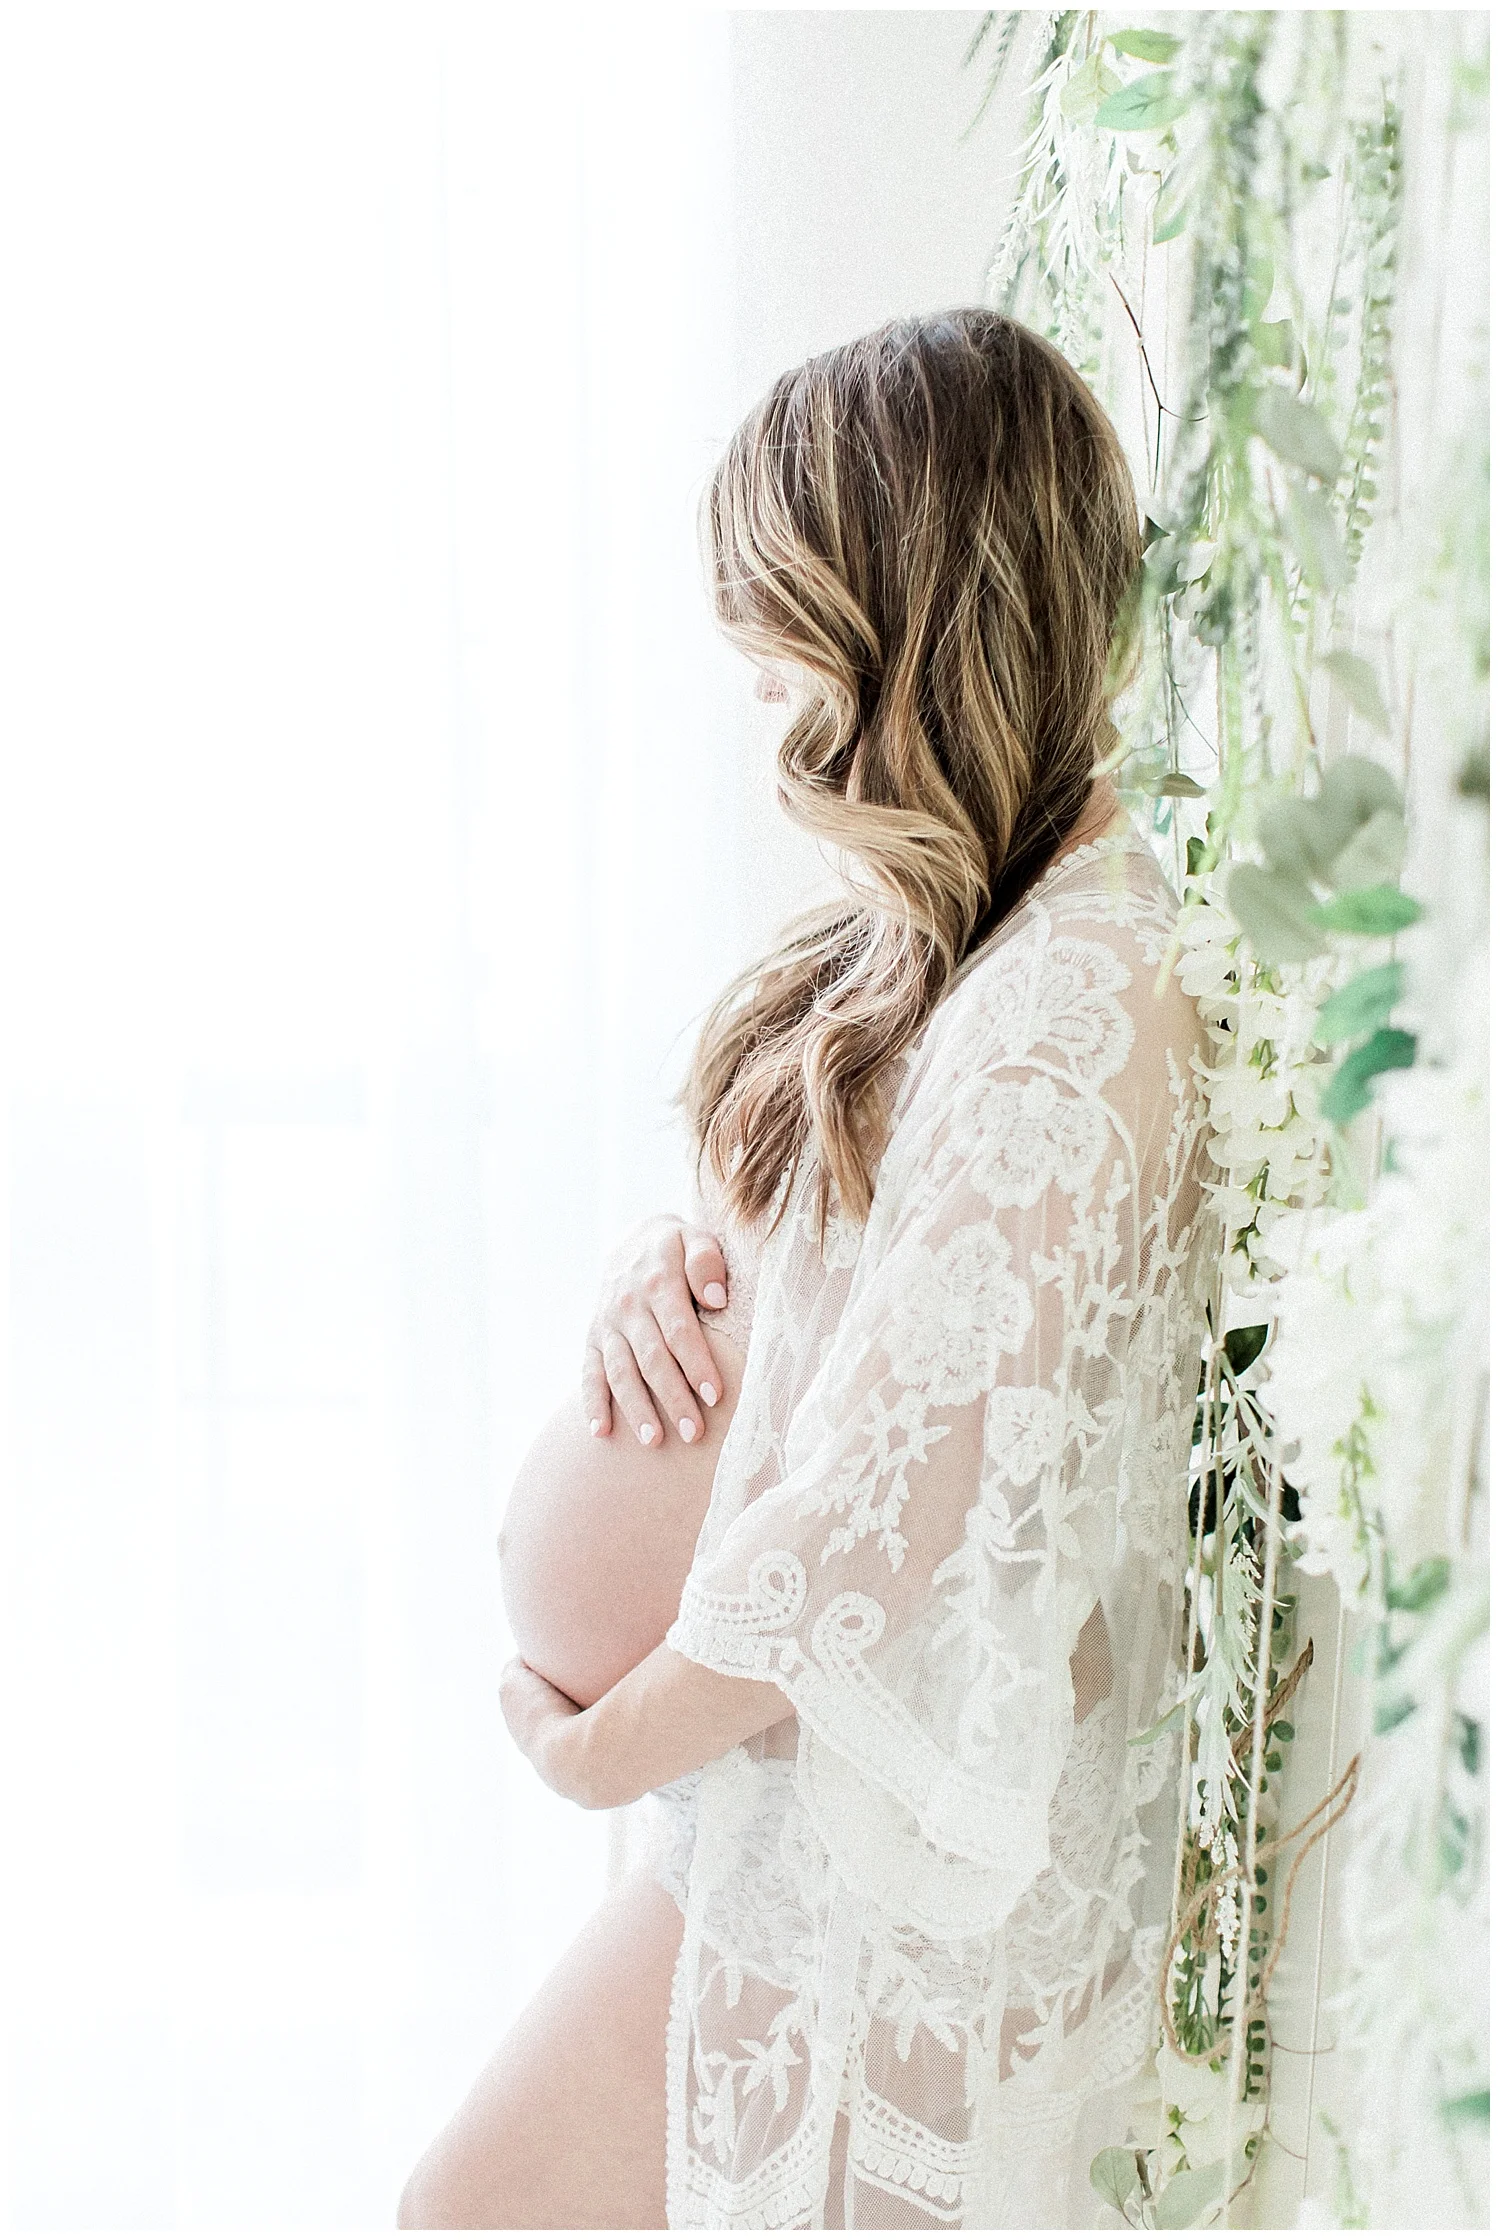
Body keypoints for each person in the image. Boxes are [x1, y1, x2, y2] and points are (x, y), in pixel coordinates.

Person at [398, 308, 1212, 2231]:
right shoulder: (957, 926)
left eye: (785, 632)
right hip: (774, 1789)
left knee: (468, 2212)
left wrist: (598, 1750)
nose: (761, 684)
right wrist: (654, 1268)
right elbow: (821, 1276)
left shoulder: (1084, 992)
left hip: (869, 1831)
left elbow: (885, 1509)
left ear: (902, 610)